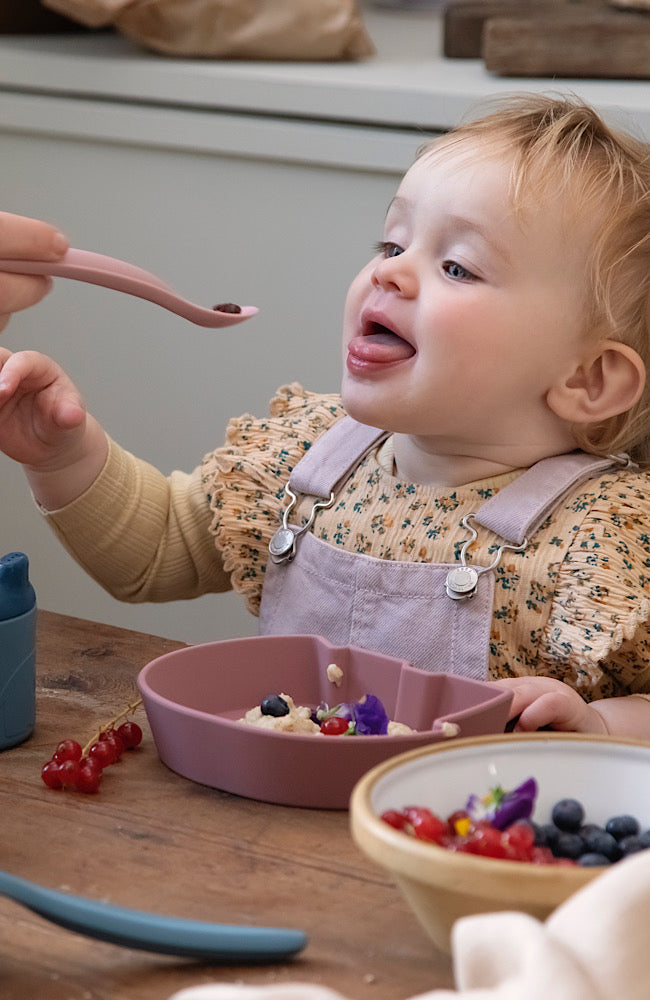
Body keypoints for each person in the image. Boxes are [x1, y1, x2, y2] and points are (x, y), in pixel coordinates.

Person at [1, 95, 650, 738]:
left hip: (454, 835)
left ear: (587, 379)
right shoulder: (307, 457)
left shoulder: (605, 537)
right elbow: (156, 551)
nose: (392, 273)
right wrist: (64, 454)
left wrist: (598, 726)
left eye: (457, 266)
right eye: (392, 242)